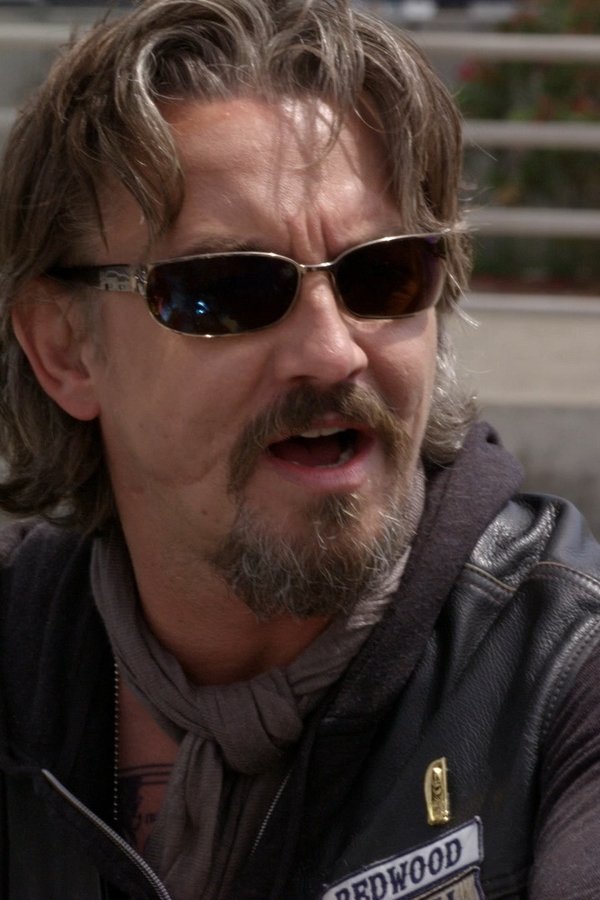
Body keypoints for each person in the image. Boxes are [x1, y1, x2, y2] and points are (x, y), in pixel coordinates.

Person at [0, 0, 599, 897]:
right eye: (227, 288)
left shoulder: (563, 672)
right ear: (64, 350)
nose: (331, 351)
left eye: (382, 274)